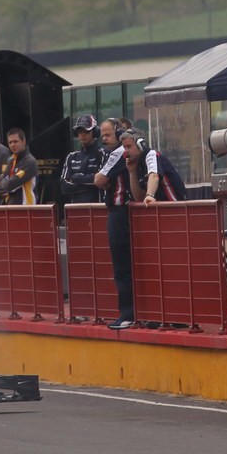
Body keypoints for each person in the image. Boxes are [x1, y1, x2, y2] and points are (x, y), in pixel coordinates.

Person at [92, 118, 136, 330]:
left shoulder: (119, 152)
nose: (103, 138)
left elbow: (99, 181)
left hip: (120, 212)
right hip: (123, 211)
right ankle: (131, 313)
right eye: (102, 134)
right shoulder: (113, 153)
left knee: (122, 266)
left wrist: (104, 179)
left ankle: (127, 314)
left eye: (108, 134)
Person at [115, 129, 188, 207]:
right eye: (124, 147)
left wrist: (150, 195)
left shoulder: (151, 154)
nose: (126, 151)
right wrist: (132, 172)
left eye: (129, 146)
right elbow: (139, 198)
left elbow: (154, 176)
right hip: (160, 207)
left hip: (174, 205)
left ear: (141, 144)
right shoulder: (138, 163)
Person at [60, 115, 105, 204]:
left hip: (98, 208)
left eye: (86, 131)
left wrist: (76, 179)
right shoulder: (71, 157)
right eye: (80, 131)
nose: (82, 134)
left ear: (95, 132)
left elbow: (102, 181)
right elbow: (64, 187)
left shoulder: (103, 154)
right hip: (76, 209)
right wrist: (92, 182)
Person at [0, 128, 38, 204]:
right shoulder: (11, 160)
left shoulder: (30, 161)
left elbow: (10, 184)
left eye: (15, 141)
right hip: (9, 207)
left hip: (26, 208)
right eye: (10, 142)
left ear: (23, 142)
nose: (12, 145)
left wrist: (5, 183)